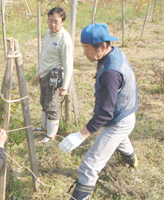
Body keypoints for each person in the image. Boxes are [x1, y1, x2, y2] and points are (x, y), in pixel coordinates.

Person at [59, 23, 138, 200]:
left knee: (89, 165)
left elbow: (105, 113)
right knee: (120, 141)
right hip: (125, 112)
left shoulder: (111, 72)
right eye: (83, 47)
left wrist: (80, 135)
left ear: (102, 46)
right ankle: (134, 165)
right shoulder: (113, 52)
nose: (84, 53)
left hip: (120, 119)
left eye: (87, 48)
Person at [35, 7, 73, 143]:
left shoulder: (64, 38)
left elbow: (68, 64)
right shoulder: (47, 34)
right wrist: (38, 72)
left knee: (51, 104)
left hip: (54, 75)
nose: (53, 24)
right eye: (50, 21)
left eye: (56, 21)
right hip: (44, 73)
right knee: (43, 100)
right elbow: (43, 54)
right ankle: (44, 126)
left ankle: (51, 135)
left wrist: (65, 87)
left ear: (63, 21)